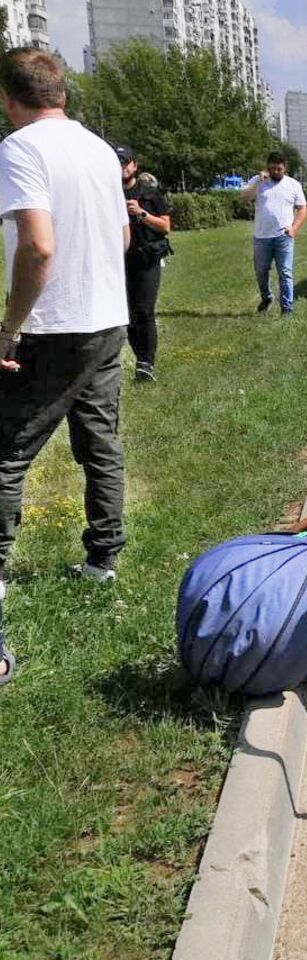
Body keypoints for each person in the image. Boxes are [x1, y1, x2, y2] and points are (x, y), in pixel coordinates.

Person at [0, 49, 132, 685]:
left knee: (6, 453)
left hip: (52, 327)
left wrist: (9, 325)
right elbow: (126, 238)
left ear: (9, 97)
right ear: (63, 92)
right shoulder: (102, 150)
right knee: (99, 442)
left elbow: (38, 245)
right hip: (108, 320)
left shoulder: (22, 147)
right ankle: (103, 560)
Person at [117, 145, 171, 383]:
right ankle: (140, 357)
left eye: (125, 162)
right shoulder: (109, 193)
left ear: (135, 166)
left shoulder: (149, 193)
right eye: (117, 162)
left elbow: (165, 226)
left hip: (148, 258)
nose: (122, 167)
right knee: (127, 314)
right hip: (119, 261)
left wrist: (141, 213)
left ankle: (146, 362)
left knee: (144, 310)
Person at [240, 152, 307, 316]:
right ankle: (267, 297)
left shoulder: (293, 185)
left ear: (285, 168)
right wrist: (258, 183)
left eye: (279, 169)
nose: (276, 172)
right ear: (267, 167)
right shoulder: (258, 181)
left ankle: (287, 308)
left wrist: (294, 228)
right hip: (261, 237)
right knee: (261, 272)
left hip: (284, 237)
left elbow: (302, 208)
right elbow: (244, 198)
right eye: (272, 169)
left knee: (285, 272)